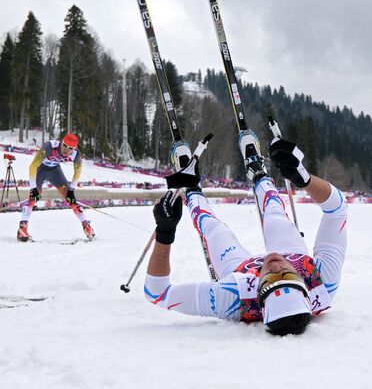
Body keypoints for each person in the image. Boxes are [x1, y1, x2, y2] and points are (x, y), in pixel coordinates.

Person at [144, 131, 348, 336]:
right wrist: (304, 178)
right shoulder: (322, 280)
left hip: (241, 271)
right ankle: (258, 172)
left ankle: (192, 189)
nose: (275, 266)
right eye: (287, 275)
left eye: (270, 279)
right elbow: (337, 209)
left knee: (216, 230)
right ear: (304, 284)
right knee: (275, 216)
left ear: (259, 298)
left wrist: (165, 233)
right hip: (294, 257)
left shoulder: (234, 298)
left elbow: (157, 292)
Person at [17, 134, 95, 242]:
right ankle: (22, 228)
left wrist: (72, 189)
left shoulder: (76, 153)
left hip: (55, 171)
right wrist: (33, 188)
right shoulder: (49, 147)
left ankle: (86, 226)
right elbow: (32, 166)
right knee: (34, 196)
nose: (67, 150)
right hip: (40, 169)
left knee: (70, 198)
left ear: (74, 148)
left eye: (70, 148)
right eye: (65, 145)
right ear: (61, 142)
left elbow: (78, 171)